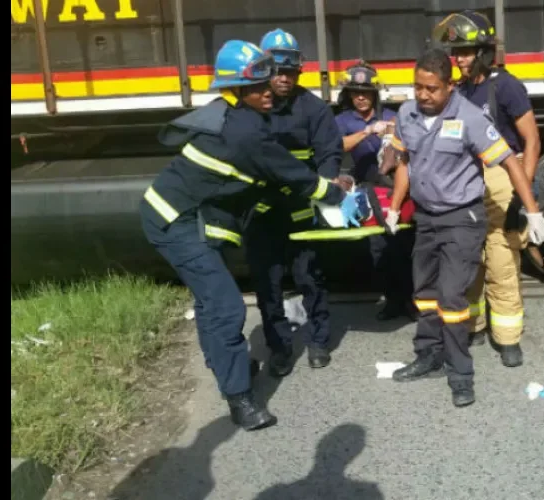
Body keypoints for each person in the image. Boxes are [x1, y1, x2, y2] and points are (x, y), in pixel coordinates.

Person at [139, 40, 363, 430]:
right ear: (236, 89)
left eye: (271, 79)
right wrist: (335, 192)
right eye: (259, 85)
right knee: (226, 307)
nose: (270, 88)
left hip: (186, 213)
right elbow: (292, 175)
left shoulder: (237, 113)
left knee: (212, 304)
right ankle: (240, 399)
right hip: (175, 221)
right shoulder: (245, 132)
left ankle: (230, 366)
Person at [385, 48, 544, 407]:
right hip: (426, 217)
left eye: (432, 89)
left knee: (452, 297)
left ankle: (461, 374)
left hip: (462, 218)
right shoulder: (406, 113)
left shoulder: (471, 117)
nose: (423, 95)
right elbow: (402, 161)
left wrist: (532, 210)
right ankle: (429, 355)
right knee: (424, 292)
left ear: (449, 86)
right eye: (418, 87)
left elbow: (510, 161)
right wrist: (395, 207)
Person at [432, 10, 542, 367]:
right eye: (456, 53)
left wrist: (519, 197)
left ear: (482, 52)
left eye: (465, 52)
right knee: (470, 262)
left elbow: (532, 141)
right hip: (467, 181)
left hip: (500, 178)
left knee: (501, 261)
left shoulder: (505, 86)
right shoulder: (460, 89)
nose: (458, 59)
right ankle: (475, 326)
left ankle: (508, 338)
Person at [245, 28, 346, 377]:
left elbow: (330, 152)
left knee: (310, 278)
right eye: (276, 71)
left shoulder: (313, 109)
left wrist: (330, 181)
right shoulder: (251, 109)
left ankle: (318, 341)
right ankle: (280, 348)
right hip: (262, 212)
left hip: (302, 210)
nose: (283, 78)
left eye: (289, 71)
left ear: (298, 72)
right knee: (268, 284)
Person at [334, 60, 417, 321]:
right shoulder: (343, 120)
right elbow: (337, 146)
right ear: (348, 95)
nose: (361, 97)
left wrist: (394, 132)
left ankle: (413, 300)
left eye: (366, 92)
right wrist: (368, 130)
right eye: (355, 92)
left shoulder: (393, 115)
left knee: (407, 243)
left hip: (399, 188)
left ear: (374, 94)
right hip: (370, 190)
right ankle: (393, 300)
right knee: (379, 247)